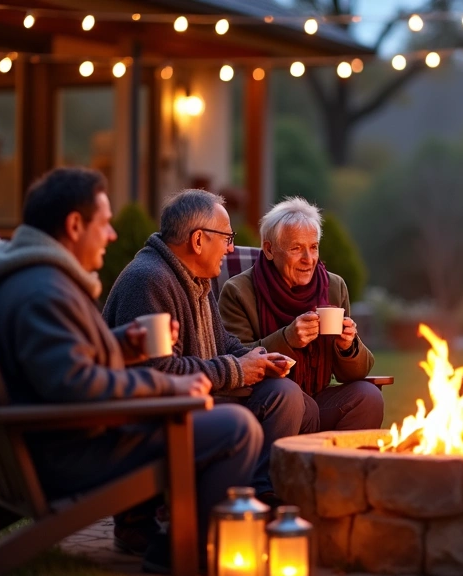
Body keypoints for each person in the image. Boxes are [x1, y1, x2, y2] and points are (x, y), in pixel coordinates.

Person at [0, 167, 263, 574]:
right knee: (235, 428)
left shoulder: (37, 280)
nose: (113, 235)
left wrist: (118, 346)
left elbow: (66, 360)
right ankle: (183, 550)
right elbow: (75, 384)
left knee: (230, 418)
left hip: (60, 439)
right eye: (105, 223)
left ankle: (180, 536)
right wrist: (166, 384)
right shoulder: (43, 291)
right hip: (74, 453)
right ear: (75, 225)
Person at [102, 189, 310, 510]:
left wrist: (258, 360)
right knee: (282, 400)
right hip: (155, 418)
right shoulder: (150, 281)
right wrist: (237, 370)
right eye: (226, 238)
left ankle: (257, 498)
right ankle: (223, 510)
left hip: (195, 400)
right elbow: (160, 373)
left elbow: (221, 343)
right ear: (198, 241)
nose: (230, 247)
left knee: (288, 396)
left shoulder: (195, 278)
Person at [219, 197, 384, 432]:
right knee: (295, 397)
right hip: (266, 402)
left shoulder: (334, 287)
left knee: (368, 397)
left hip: (316, 398)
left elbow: (353, 373)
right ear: (269, 249)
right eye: (296, 248)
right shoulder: (239, 292)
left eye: (313, 247)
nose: (308, 260)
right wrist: (287, 340)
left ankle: (340, 468)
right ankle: (285, 467)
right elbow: (235, 359)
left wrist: (348, 346)